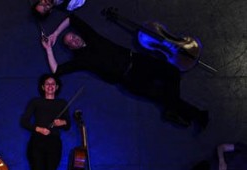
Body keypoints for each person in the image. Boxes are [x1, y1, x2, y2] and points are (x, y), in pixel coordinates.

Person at [42, 14, 208, 129]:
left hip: (137, 61)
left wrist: (56, 33)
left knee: (172, 72)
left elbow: (71, 19)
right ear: (70, 47)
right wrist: (49, 48)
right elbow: (56, 70)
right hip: (129, 79)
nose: (74, 38)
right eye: (70, 40)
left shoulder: (90, 36)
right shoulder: (80, 60)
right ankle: (197, 115)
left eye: (73, 36)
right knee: (164, 96)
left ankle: (173, 110)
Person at [20, 74, 70, 170]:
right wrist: (39, 128)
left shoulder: (62, 103)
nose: (50, 86)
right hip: (37, 143)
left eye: (53, 84)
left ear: (56, 87)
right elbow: (24, 121)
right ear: (42, 87)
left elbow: (68, 124)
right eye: (47, 84)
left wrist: (62, 122)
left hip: (54, 144)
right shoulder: (36, 102)